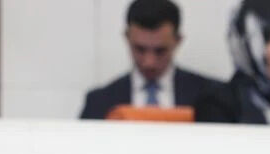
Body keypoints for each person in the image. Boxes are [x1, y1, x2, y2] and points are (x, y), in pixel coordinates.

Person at [79, 0, 216, 119]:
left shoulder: (214, 98)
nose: (149, 62)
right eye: (140, 49)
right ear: (127, 37)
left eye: (160, 51)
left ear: (178, 40)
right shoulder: (99, 102)